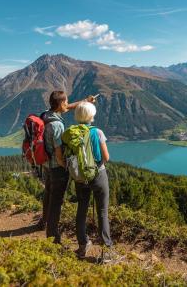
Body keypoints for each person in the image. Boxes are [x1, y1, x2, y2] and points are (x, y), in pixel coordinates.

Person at [38, 91, 94, 244]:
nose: (67, 105)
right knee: (56, 201)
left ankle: (43, 222)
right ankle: (53, 238)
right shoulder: (57, 125)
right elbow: (58, 153)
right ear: (61, 104)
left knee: (48, 194)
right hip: (57, 167)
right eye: (66, 102)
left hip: (46, 164)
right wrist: (67, 168)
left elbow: (67, 107)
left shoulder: (46, 114)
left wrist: (86, 100)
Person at [73, 102, 115, 263]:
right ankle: (106, 252)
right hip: (98, 175)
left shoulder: (72, 133)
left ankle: (83, 246)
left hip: (80, 177)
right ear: (91, 116)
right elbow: (106, 157)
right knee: (102, 212)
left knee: (81, 210)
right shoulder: (97, 132)